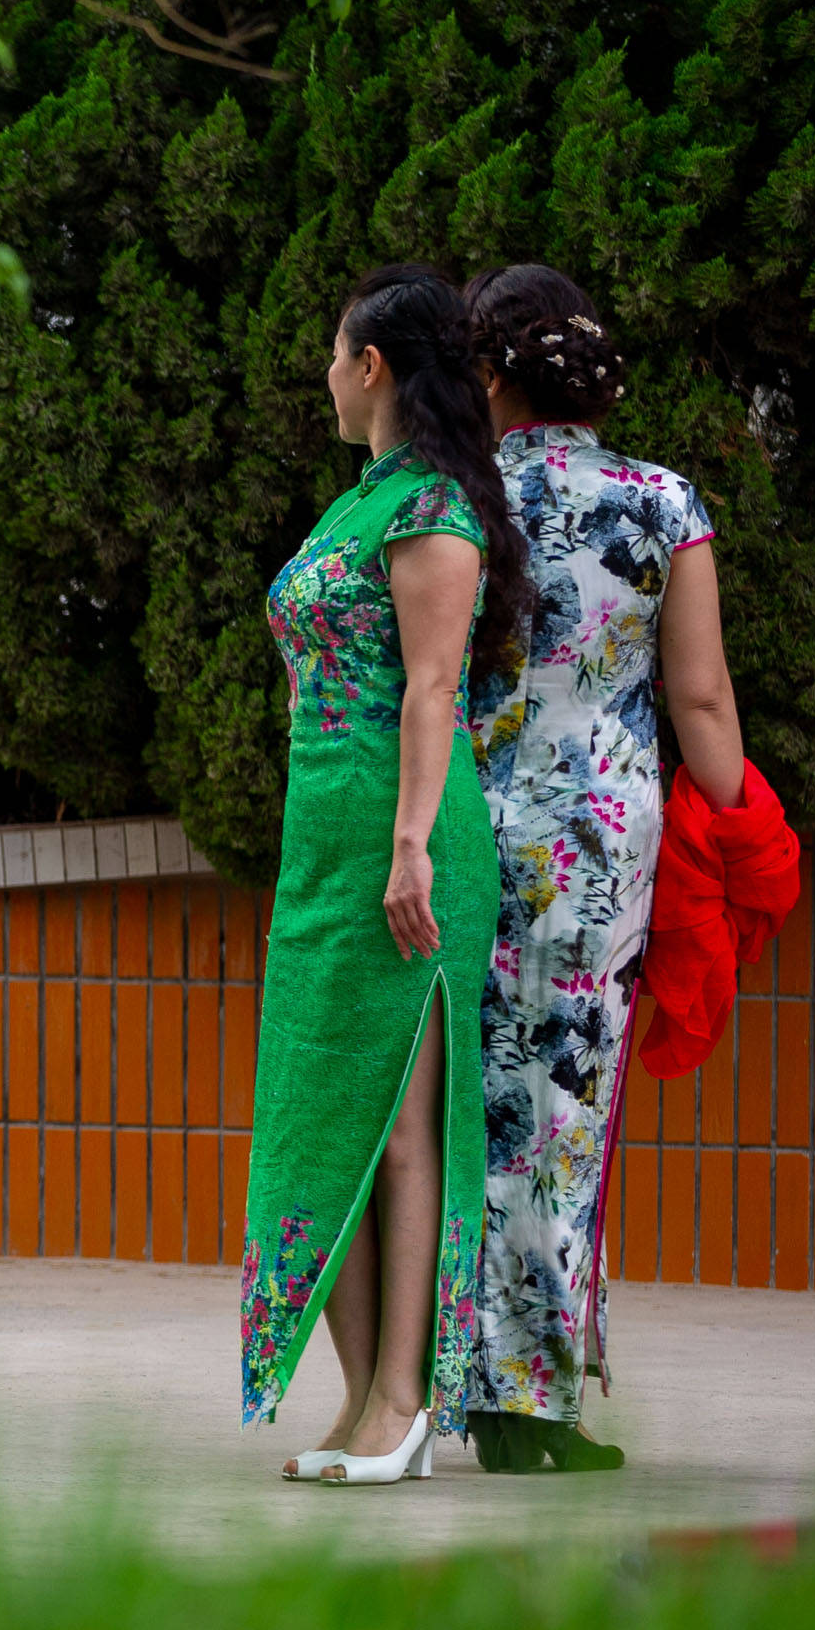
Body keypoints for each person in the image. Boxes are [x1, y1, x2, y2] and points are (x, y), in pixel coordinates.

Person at [239, 264, 529, 1486]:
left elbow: (431, 689)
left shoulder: (435, 513)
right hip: (325, 842)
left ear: (372, 367)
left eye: (332, 349)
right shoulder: (358, 504)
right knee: (321, 1111)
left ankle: (403, 1402)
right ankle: (363, 1395)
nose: (322, 370)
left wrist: (412, 843)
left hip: (404, 841)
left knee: (404, 1127)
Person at [460, 265, 746, 1474]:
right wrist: (740, 834)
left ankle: (456, 1383)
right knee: (565, 1111)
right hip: (598, 845)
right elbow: (699, 694)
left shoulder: (450, 502)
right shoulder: (665, 503)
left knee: (472, 1104)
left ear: (490, 374)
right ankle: (540, 1397)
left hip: (466, 829)